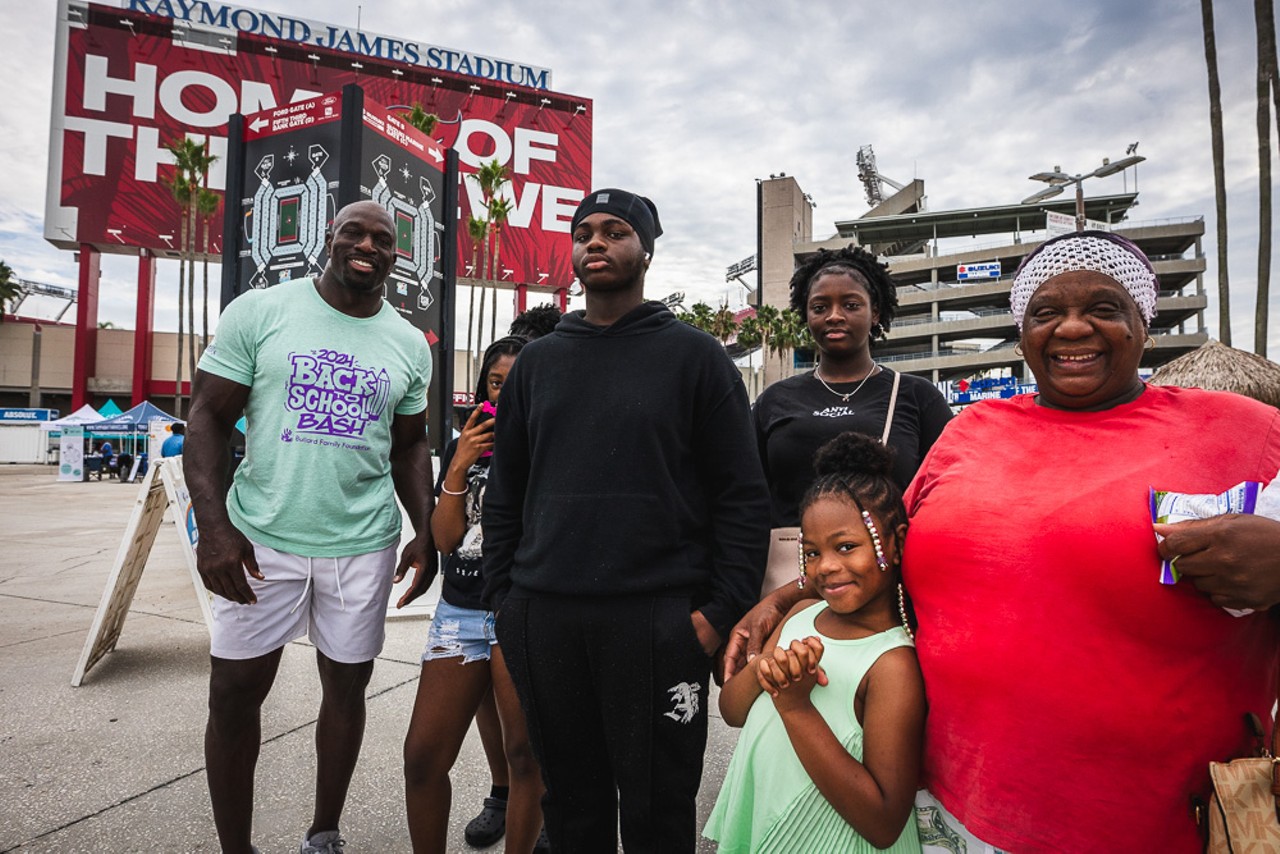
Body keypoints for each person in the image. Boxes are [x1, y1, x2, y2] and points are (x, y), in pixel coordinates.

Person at [725, 230, 1280, 853]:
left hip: (1153, 818)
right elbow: (884, 548)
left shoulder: (1244, 430)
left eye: (1103, 308)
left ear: (1143, 321)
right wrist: (784, 599)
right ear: (1021, 330)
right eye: (1046, 313)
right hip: (960, 811)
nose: (1072, 329)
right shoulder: (976, 430)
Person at [482, 187, 771, 851]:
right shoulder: (539, 365)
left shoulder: (696, 357)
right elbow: (506, 494)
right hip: (546, 620)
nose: (597, 243)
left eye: (615, 231)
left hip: (658, 623)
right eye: (586, 231)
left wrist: (715, 611)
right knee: (572, 811)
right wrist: (507, 604)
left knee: (659, 815)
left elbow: (741, 497)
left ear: (646, 248)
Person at [186, 200, 435, 854]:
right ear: (328, 237)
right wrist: (214, 529)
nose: (369, 246)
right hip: (261, 537)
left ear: (394, 256)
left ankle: (324, 832)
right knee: (235, 692)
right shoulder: (262, 311)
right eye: (355, 232)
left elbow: (410, 445)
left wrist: (425, 528)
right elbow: (207, 418)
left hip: (363, 544)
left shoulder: (409, 344)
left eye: (384, 240)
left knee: (346, 687)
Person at [705, 432, 924, 853]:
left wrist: (795, 705)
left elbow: (883, 823)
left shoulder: (891, 663)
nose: (826, 567)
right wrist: (764, 671)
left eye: (846, 547)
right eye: (811, 553)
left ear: (895, 544)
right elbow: (732, 711)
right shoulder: (798, 617)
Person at [403, 334, 545, 854]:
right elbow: (445, 539)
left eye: (518, 385)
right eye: (495, 384)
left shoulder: (550, 441)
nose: (504, 397)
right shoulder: (469, 442)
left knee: (525, 754)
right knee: (422, 756)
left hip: (522, 612)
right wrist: (460, 464)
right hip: (460, 611)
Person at [753, 246, 951, 592]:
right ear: (806, 315)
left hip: (889, 582)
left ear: (875, 313)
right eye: (820, 307)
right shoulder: (774, 400)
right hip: (787, 578)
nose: (834, 315)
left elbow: (947, 497)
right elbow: (746, 497)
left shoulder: (916, 396)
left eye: (850, 304)